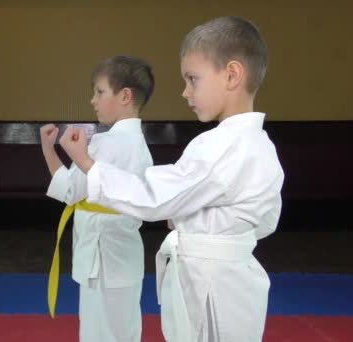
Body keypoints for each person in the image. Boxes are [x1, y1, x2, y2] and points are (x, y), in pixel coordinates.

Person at [58, 16, 284, 342]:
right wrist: (194, 221)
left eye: (193, 79)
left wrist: (87, 164)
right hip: (233, 278)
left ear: (232, 75)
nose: (185, 91)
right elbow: (265, 220)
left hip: (209, 284)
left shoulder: (219, 145)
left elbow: (155, 196)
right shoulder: (262, 146)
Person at [40, 55, 155, 342]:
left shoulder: (107, 143)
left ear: (125, 96)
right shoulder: (138, 144)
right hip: (121, 255)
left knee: (99, 334)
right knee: (123, 331)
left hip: (102, 260)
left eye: (100, 92)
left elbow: (70, 192)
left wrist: (48, 149)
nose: (93, 100)